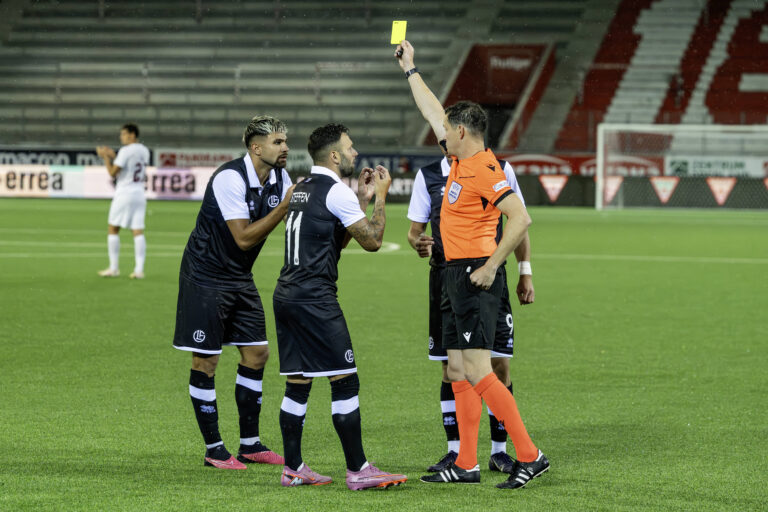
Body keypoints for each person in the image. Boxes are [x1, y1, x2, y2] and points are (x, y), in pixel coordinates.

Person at [396, 40, 549, 489]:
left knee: (480, 371)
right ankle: (466, 463)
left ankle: (530, 455)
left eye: (446, 128)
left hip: (473, 276)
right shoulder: (458, 159)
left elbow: (521, 218)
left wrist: (492, 266)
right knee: (459, 370)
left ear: (461, 132)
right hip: (451, 274)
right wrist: (410, 69)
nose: (440, 131)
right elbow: (431, 110)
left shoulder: (483, 168)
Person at [273, 123, 407, 490]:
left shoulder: (302, 188)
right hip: (315, 298)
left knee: (298, 382)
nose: (355, 153)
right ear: (334, 155)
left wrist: (361, 201)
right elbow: (373, 241)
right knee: (345, 379)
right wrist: (381, 197)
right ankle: (359, 469)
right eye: (349, 148)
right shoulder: (335, 191)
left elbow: (333, 242)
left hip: (287, 294)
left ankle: (293, 468)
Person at [172, 115, 294, 470]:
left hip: (239, 276)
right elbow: (242, 237)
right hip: (205, 276)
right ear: (256, 147)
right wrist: (284, 206)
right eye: (277, 142)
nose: (285, 147)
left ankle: (250, 444)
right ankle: (214, 449)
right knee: (206, 361)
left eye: (285, 141)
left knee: (257, 353)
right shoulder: (229, 178)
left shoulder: (280, 178)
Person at [407, 152, 535, 475]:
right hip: (444, 279)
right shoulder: (428, 176)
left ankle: (500, 452)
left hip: (487, 277)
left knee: (498, 364)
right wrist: (418, 243)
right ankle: (458, 454)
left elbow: (518, 220)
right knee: (452, 368)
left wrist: (525, 272)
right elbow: (414, 231)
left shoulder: (497, 168)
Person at [96, 123, 150, 279]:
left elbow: (113, 173)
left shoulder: (126, 151)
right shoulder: (144, 150)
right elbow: (131, 165)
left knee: (113, 229)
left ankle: (114, 268)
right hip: (139, 193)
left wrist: (106, 157)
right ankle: (139, 270)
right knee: (137, 231)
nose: (121, 137)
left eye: (124, 134)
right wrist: (114, 155)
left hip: (125, 193)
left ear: (132, 135)